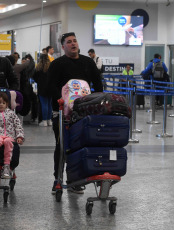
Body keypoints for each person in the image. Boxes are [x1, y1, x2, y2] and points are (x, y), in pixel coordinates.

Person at [47, 32, 103, 194]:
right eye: (69, 42)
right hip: (62, 113)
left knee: (80, 146)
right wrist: (60, 99)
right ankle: (58, 178)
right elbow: (50, 85)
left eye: (75, 41)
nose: (73, 44)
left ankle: (75, 179)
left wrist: (97, 101)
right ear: (63, 46)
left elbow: (98, 84)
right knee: (62, 146)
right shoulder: (57, 64)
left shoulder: (88, 62)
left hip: (84, 113)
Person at [33, 54, 52, 126]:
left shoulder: (38, 67)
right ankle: (49, 120)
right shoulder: (51, 66)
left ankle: (44, 121)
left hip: (41, 88)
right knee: (50, 104)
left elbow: (34, 77)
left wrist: (39, 82)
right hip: (50, 88)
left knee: (44, 104)